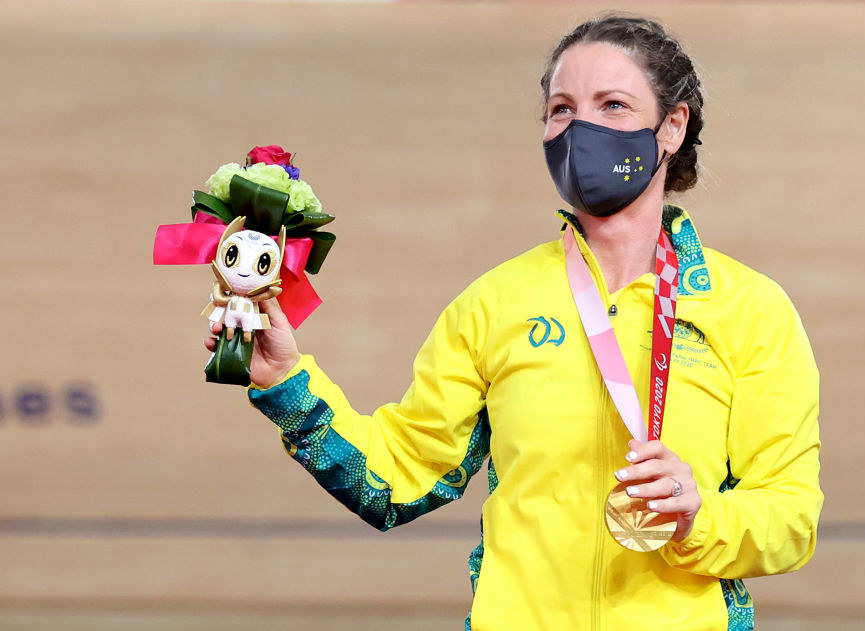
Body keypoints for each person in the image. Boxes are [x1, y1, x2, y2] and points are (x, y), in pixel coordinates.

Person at [207, 14, 823, 631]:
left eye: (612, 105)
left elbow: (790, 520)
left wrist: (698, 518)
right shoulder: (495, 303)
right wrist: (285, 379)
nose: (580, 128)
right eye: (561, 109)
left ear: (672, 126)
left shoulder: (749, 309)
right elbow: (393, 481)